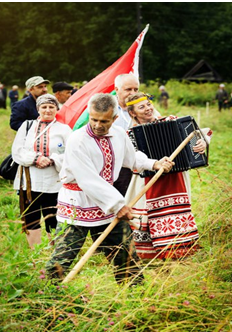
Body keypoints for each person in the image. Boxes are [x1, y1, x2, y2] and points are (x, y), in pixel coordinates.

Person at [45, 93, 174, 283]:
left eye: (104, 121)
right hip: (77, 205)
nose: (98, 125)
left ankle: (135, 295)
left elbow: (131, 158)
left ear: (115, 118)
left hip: (107, 206)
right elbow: (87, 180)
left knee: (126, 256)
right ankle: (46, 296)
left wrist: (153, 164)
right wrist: (118, 205)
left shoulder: (119, 134)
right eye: (94, 119)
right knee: (62, 258)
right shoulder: (77, 140)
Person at [124, 92, 213, 261]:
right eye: (141, 107)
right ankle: (150, 256)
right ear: (132, 112)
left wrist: (201, 143)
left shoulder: (170, 121)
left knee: (176, 213)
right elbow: (132, 158)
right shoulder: (129, 134)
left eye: (148, 104)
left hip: (175, 179)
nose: (148, 109)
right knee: (146, 215)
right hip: (147, 180)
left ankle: (179, 252)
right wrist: (154, 163)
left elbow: (195, 135)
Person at [12, 94, 72, 249]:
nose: (47, 110)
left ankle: (55, 252)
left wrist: (53, 160)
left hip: (54, 182)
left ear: (57, 109)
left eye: (51, 107)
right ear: (38, 109)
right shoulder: (27, 126)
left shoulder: (64, 130)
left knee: (53, 217)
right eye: (44, 107)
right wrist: (36, 158)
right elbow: (17, 151)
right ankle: (35, 253)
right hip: (30, 182)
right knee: (31, 217)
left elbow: (72, 154)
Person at [113, 74, 161, 196]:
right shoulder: (109, 109)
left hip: (146, 165)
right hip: (118, 166)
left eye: (136, 89)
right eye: (128, 89)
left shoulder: (147, 108)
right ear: (116, 89)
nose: (133, 93)